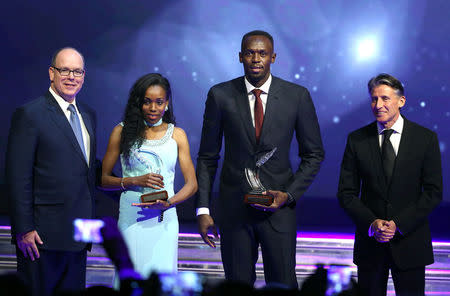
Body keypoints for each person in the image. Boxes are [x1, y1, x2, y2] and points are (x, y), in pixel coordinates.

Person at [196, 30, 325, 288]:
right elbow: (207, 156)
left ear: (273, 57)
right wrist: (203, 209)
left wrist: (287, 195)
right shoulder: (220, 95)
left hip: (278, 213)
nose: (256, 59)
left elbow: (314, 154)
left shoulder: (296, 96)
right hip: (234, 212)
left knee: (283, 285)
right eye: (250, 53)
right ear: (240, 57)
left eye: (262, 53)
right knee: (237, 287)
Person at [337, 73, 443, 296]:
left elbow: (433, 193)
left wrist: (399, 224)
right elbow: (346, 193)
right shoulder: (357, 140)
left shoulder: (425, 139)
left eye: (385, 98)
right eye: (374, 99)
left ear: (401, 101)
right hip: (371, 246)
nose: (378, 105)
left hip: (410, 243)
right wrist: (372, 223)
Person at [6, 47, 97, 296]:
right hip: (40, 239)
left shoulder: (88, 115)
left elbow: (85, 170)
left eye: (77, 71)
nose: (71, 77)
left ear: (83, 75)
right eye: (65, 70)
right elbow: (17, 176)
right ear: (51, 73)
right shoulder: (30, 114)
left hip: (78, 237)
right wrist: (23, 229)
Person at [101, 73, 197, 279]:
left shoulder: (177, 135)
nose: (153, 108)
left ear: (167, 103)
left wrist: (169, 203)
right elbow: (104, 180)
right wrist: (134, 180)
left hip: (164, 219)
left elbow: (192, 185)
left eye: (159, 102)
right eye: (147, 102)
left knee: (161, 282)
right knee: (130, 280)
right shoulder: (121, 131)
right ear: (139, 103)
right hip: (131, 218)